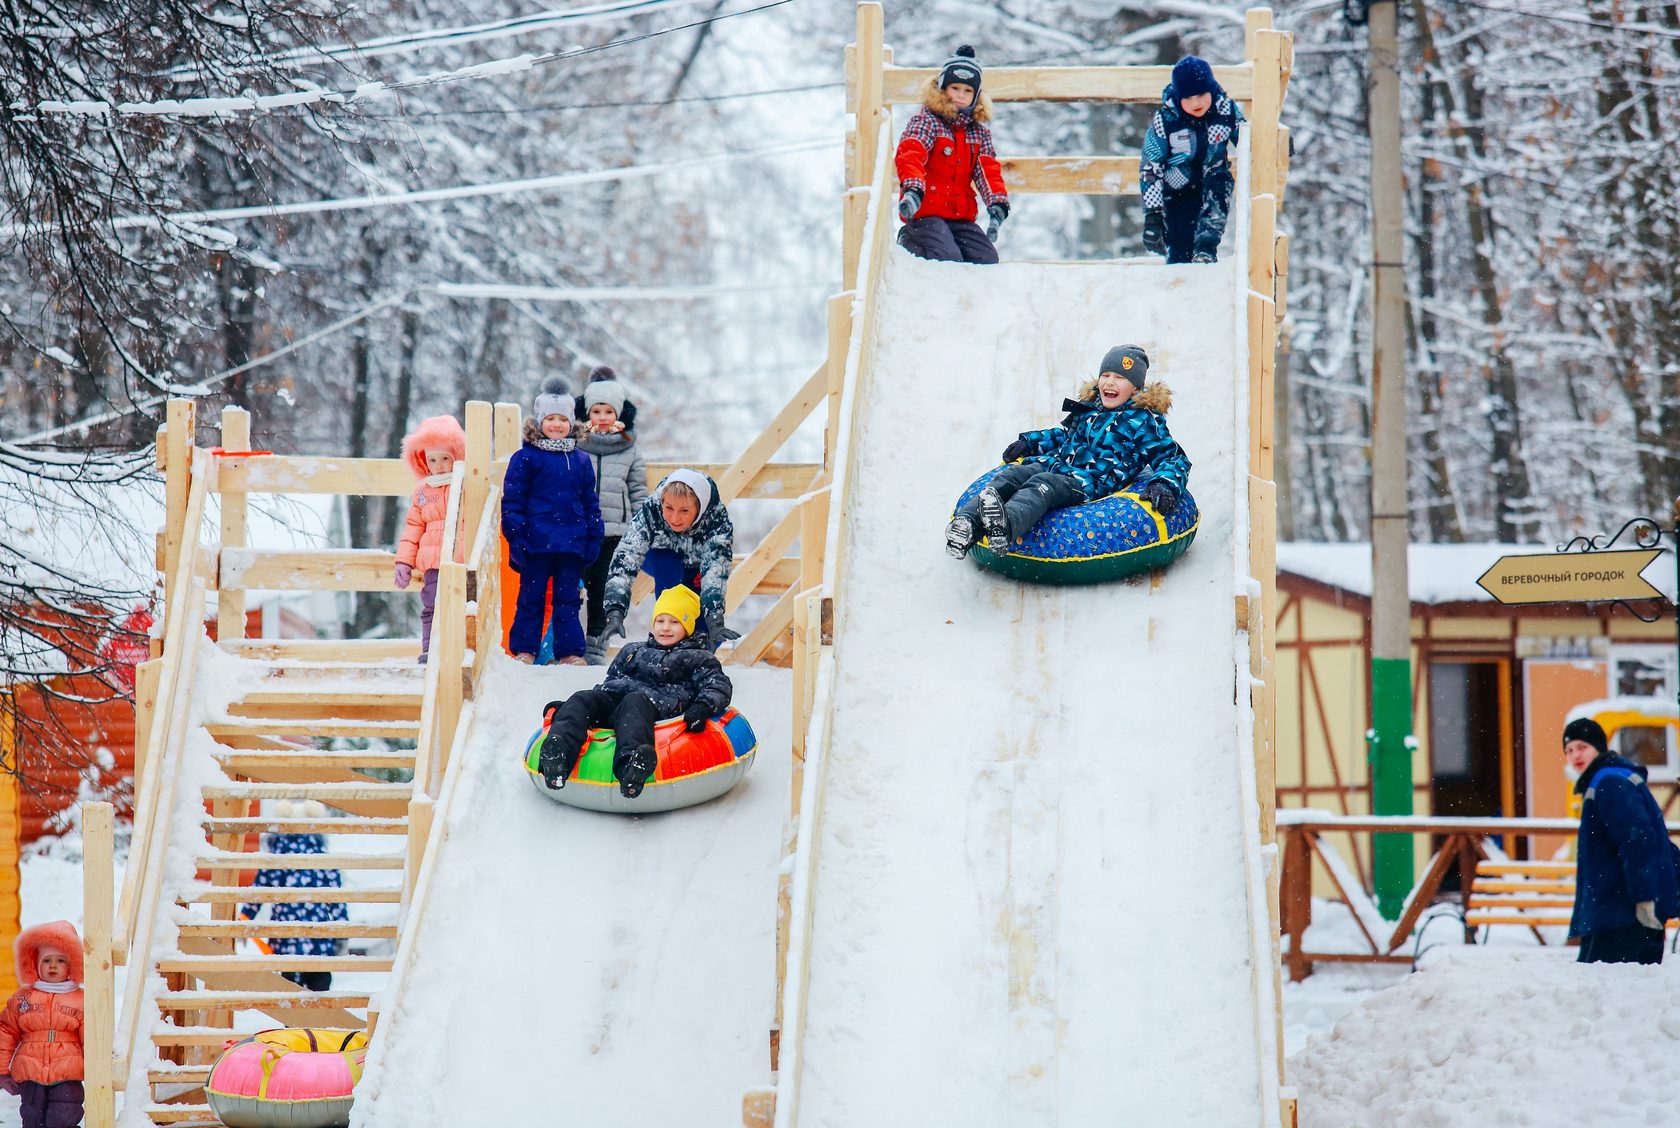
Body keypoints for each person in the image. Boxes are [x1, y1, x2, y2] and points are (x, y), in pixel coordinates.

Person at [946, 345, 1190, 558]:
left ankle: (1005, 527)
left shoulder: (1143, 420)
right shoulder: (1090, 408)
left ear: (1136, 389)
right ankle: (967, 525)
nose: (1110, 382)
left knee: (1042, 485)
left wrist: (1165, 484)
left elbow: (1172, 456)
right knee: (1012, 476)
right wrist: (1030, 442)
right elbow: (1063, 435)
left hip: (1087, 480)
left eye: (1120, 377)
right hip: (1056, 463)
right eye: (1105, 375)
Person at [538, 585, 733, 798]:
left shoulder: (697, 657)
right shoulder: (633, 650)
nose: (665, 628)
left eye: (675, 622)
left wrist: (702, 707)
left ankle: (630, 767)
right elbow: (609, 683)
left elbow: (717, 684)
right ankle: (558, 757)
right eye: (660, 621)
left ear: (688, 626)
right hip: (614, 701)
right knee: (583, 698)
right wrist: (569, 708)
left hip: (651, 708)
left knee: (634, 702)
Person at [503, 378, 605, 665]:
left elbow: (589, 502)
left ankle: (569, 652)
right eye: (551, 418)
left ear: (572, 422)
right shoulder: (525, 458)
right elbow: (512, 501)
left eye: (563, 419)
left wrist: (593, 536)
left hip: (570, 544)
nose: (557, 424)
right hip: (535, 543)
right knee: (531, 598)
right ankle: (525, 650)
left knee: (568, 601)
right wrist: (516, 537)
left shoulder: (580, 460)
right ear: (540, 421)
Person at [1566, 717, 1680, 965]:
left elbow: (1637, 840)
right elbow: (1658, 842)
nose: (1575, 755)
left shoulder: (1609, 782)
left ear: (1599, 747)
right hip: (1627, 913)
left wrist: (1644, 898)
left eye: (1582, 747)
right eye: (1569, 750)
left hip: (1621, 914)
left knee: (1599, 992)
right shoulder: (1617, 778)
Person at [595, 469, 736, 653]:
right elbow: (626, 557)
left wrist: (715, 621)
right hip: (660, 557)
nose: (675, 518)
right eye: (669, 508)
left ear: (699, 509)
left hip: (697, 564)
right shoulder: (651, 510)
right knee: (669, 568)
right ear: (662, 502)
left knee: (703, 628)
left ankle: (696, 659)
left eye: (684, 510)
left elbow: (715, 570)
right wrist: (615, 610)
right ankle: (667, 643)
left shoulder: (716, 520)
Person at [893, 44, 1010, 264]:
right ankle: (908, 239)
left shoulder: (978, 133)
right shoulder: (927, 122)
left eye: (968, 91)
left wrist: (997, 203)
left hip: (960, 217)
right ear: (943, 89)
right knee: (947, 257)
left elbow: (987, 171)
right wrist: (913, 188)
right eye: (955, 88)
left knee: (985, 259)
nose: (960, 95)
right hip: (925, 213)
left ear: (976, 96)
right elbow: (911, 152)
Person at [1140, 55, 1243, 264]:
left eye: (1201, 94)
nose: (1196, 103)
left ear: (1212, 90)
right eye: (1188, 98)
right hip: (1177, 189)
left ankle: (1206, 249)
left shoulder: (1226, 111)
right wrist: (1153, 215)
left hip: (1212, 179)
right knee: (1180, 248)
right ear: (1178, 99)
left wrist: (1274, 141)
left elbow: (1249, 137)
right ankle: (1182, 280)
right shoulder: (1167, 120)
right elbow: (1151, 167)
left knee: (1220, 181)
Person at [575, 370, 648, 665]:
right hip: (580, 530)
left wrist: (641, 528)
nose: (603, 416)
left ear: (618, 413)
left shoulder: (629, 448)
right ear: (587, 413)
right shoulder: (576, 445)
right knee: (571, 586)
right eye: (596, 410)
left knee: (603, 589)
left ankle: (595, 646)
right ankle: (565, 645)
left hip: (615, 531)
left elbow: (638, 490)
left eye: (609, 411)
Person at [240, 801, 349, 991]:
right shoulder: (322, 859)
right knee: (319, 986)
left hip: (286, 938)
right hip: (318, 939)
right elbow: (336, 899)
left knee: (289, 988)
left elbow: (259, 892)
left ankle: (293, 1019)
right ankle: (318, 1018)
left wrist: (245, 918)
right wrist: (342, 931)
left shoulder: (277, 859)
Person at [393, 414, 466, 664]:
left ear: (456, 457)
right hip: (433, 562)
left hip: (460, 559)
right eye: (433, 459)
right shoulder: (424, 491)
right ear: (424, 460)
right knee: (432, 606)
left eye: (445, 458)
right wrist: (403, 562)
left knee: (461, 606)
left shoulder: (464, 484)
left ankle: (457, 648)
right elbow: (413, 528)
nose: (439, 465)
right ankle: (430, 649)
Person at [0, 921, 83, 1128]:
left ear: (71, 965)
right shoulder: (23, 998)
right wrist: (2, 1071)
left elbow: (91, 1036)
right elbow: (6, 1032)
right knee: (32, 1117)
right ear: (36, 965)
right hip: (31, 1073)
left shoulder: (81, 1000)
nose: (53, 965)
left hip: (67, 1073)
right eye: (47, 960)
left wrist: (98, 1068)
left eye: (60, 960)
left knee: (64, 1116)